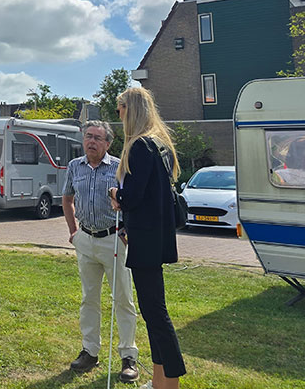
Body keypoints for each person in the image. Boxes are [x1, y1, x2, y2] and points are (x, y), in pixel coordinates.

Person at [109, 87, 186, 389]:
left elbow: (134, 196)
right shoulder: (160, 144)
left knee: (155, 314)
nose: (119, 114)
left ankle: (170, 383)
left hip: (146, 241)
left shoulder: (140, 146)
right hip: (157, 237)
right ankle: (158, 382)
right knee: (153, 311)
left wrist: (116, 195)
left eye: (120, 108)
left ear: (131, 109)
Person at [62, 120, 139, 382]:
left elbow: (131, 202)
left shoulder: (119, 167)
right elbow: (67, 198)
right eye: (88, 137)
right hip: (85, 240)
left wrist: (127, 232)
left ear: (108, 143)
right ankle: (89, 351)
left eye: (97, 138)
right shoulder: (74, 167)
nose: (91, 142)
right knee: (89, 299)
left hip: (113, 240)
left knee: (123, 299)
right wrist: (73, 231)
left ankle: (128, 356)